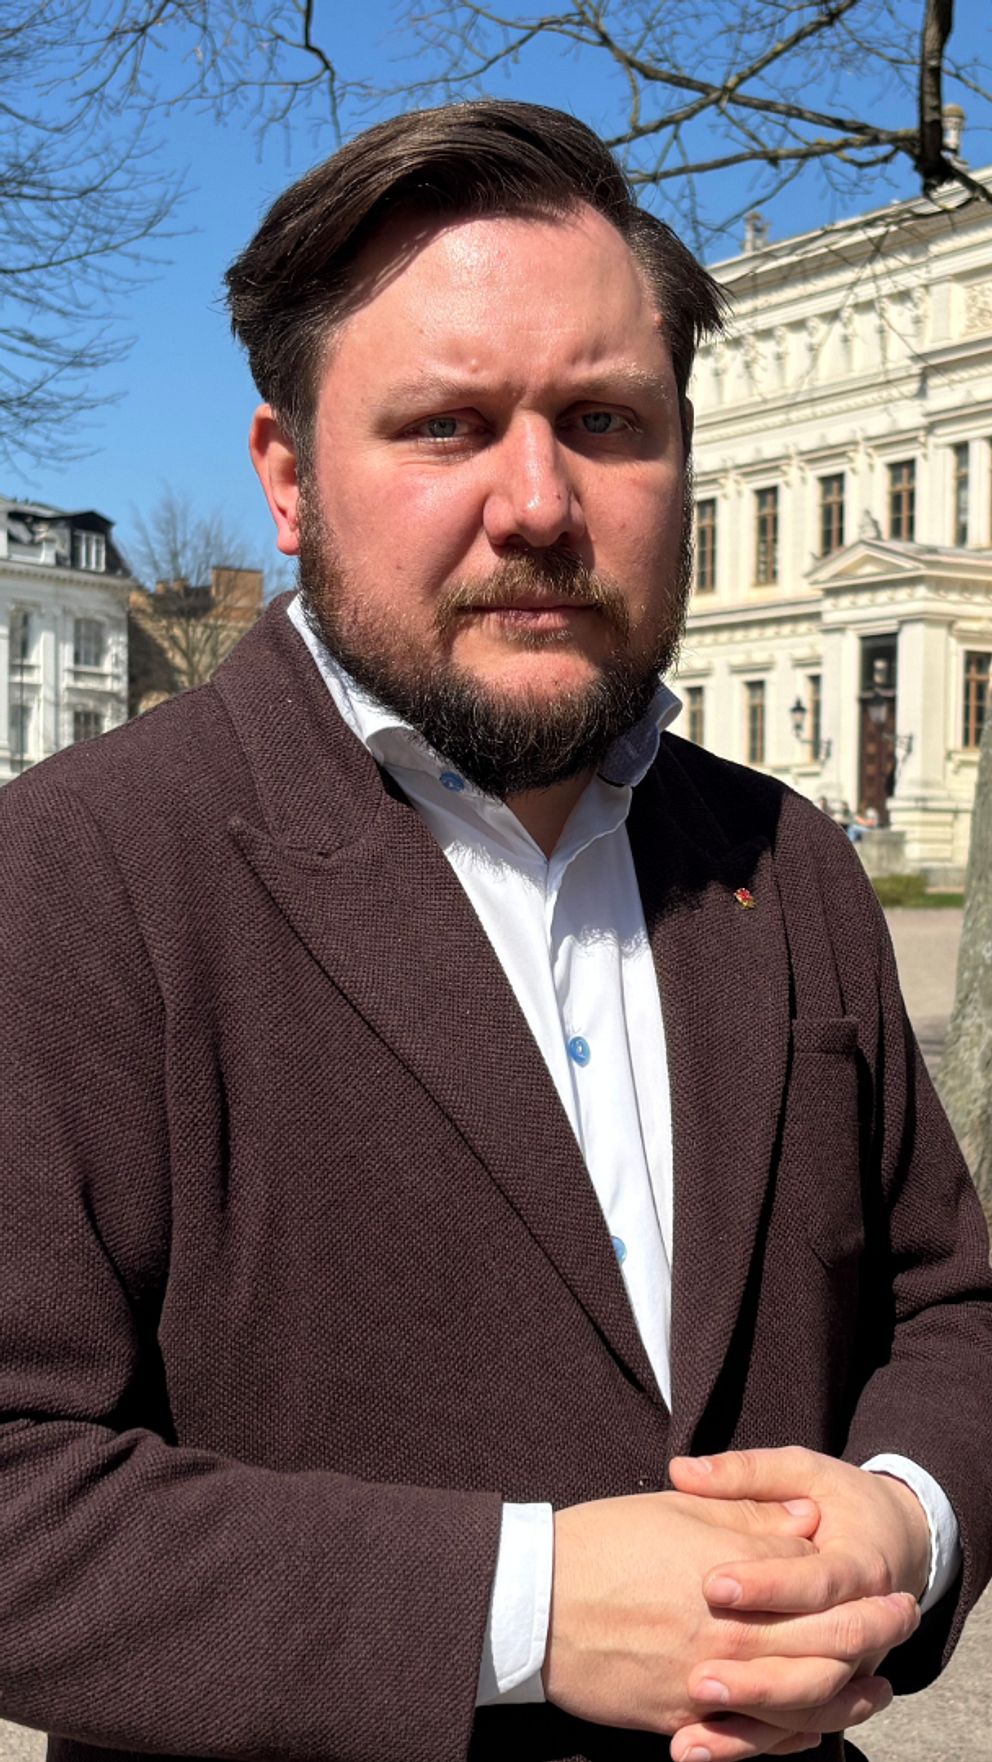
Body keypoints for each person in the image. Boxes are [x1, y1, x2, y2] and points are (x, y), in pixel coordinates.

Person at [1, 100, 990, 1762]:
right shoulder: (78, 871)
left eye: (604, 420)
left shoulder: (789, 862)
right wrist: (520, 1603)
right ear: (288, 478)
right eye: (447, 425)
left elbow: (954, 1306)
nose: (539, 503)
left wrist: (910, 1515)